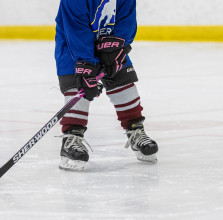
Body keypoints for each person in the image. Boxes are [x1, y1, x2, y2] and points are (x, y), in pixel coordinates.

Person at [55, 0, 158, 171]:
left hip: (109, 41)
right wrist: (86, 65)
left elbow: (127, 20)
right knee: (77, 85)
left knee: (123, 81)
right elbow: (75, 29)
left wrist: (118, 47)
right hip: (73, 48)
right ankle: (71, 137)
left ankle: (135, 130)